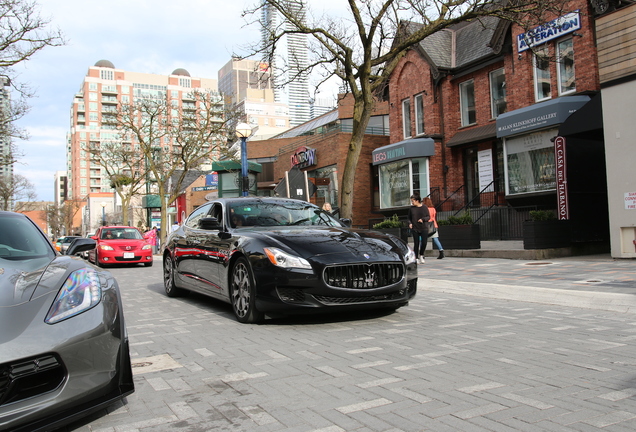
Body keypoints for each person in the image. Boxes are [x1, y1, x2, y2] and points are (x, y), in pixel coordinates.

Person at [407, 193, 430, 264]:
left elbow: (428, 217)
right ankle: (416, 257)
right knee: (416, 243)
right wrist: (410, 223)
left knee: (424, 242)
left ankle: (421, 255)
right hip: (415, 227)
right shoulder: (411, 208)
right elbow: (409, 218)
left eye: (413, 201)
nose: (412, 202)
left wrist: (423, 219)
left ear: (417, 200)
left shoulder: (424, 207)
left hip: (424, 227)